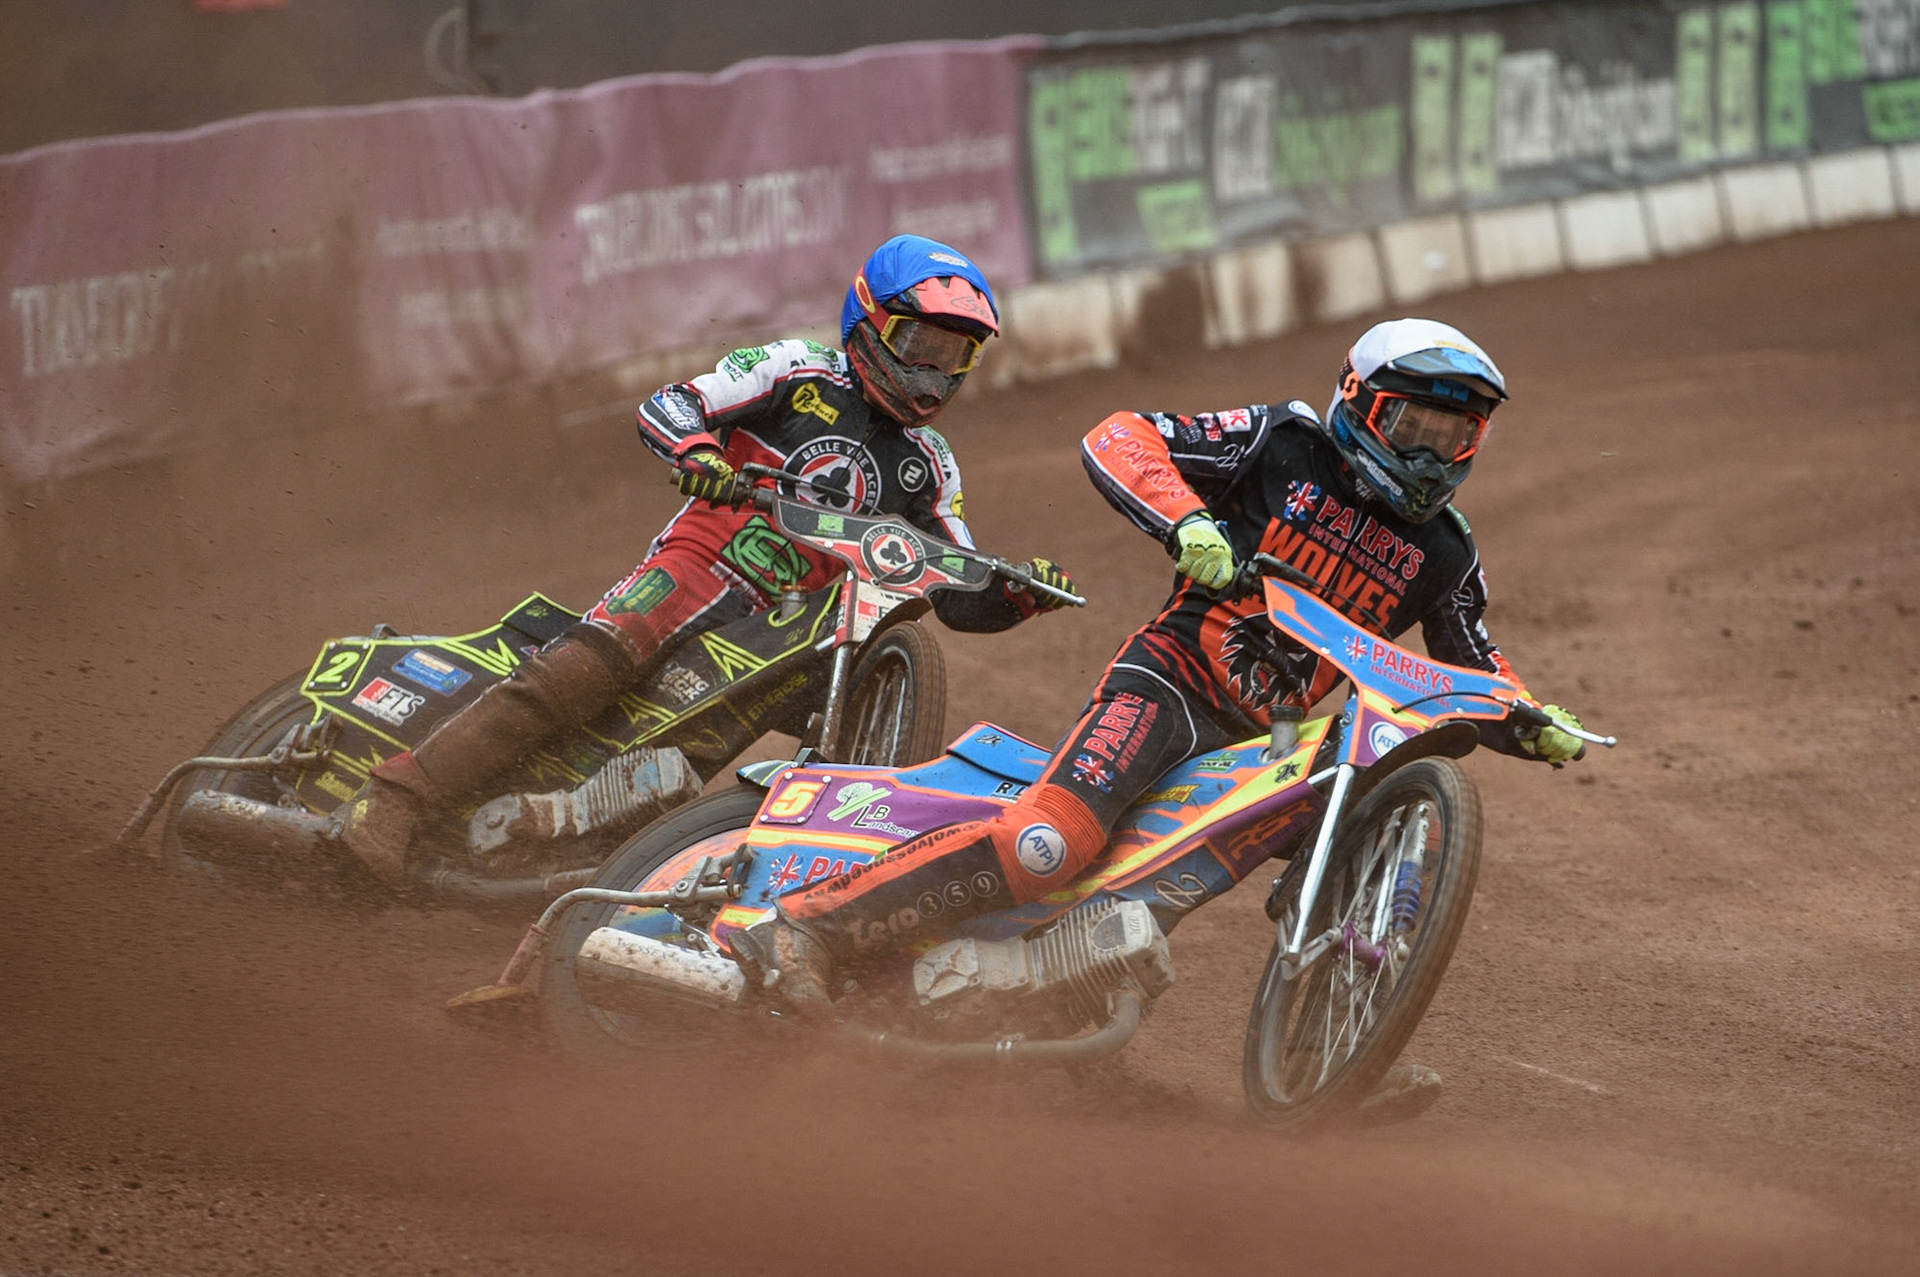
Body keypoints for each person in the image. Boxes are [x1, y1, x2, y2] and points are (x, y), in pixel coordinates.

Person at [743, 317, 1586, 1009]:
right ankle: (810, 927)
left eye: (1455, 437)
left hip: (1272, 746)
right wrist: (1186, 521)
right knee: (1050, 842)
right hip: (1172, 682)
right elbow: (1122, 435)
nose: (1431, 459)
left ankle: (1350, 1013)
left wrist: (1532, 717)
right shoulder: (1282, 442)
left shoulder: (1446, 550)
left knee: (1316, 829)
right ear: (1360, 403)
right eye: (1415, 430)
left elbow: (1475, 662)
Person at [335, 235, 1076, 884]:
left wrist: (1015, 595)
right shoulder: (795, 369)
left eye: (955, 356)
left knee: (682, 770)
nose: (933, 374)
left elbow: (957, 580)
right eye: (921, 347)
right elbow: (672, 403)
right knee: (577, 674)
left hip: (788, 630)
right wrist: (698, 454)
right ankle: (397, 794)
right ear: (871, 325)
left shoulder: (931, 464)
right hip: (701, 563)